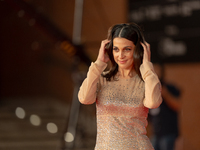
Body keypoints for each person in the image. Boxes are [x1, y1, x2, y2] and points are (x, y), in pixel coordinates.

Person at [78, 23, 162, 150]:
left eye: (127, 49)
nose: (120, 55)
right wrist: (99, 63)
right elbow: (84, 98)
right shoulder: (102, 79)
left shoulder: (145, 81)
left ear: (138, 50)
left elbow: (153, 103)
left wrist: (147, 67)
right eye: (116, 49)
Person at [149, 64, 181, 150]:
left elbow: (177, 105)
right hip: (155, 133)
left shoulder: (169, 87)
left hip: (168, 133)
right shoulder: (149, 90)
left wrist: (165, 93)